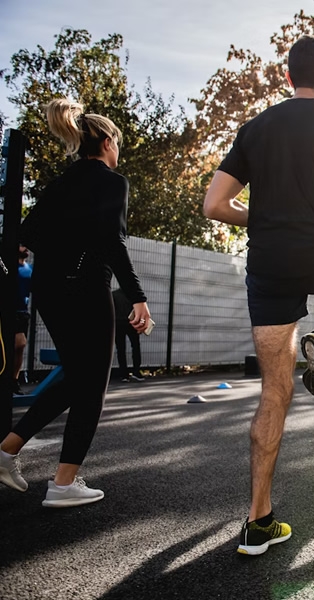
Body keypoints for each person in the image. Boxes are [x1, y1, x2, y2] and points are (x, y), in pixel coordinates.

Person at [203, 35, 314, 556]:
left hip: (269, 266)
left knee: (273, 393)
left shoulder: (255, 129)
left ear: (287, 78)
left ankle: (258, 521)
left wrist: (261, 218)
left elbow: (215, 204)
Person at [0, 99, 151, 507]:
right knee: (92, 387)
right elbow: (113, 243)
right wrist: (137, 297)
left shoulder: (61, 184)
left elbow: (25, 233)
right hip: (86, 290)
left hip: (49, 292)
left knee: (75, 379)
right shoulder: (111, 182)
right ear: (105, 142)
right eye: (117, 143)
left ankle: (7, 450)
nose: (117, 152)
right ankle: (63, 483)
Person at [112, 288, 144, 382]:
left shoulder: (114, 295)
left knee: (121, 349)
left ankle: (124, 374)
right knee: (136, 347)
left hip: (118, 324)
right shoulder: (133, 294)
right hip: (132, 324)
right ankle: (136, 371)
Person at [13, 246, 32, 394]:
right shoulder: (7, 267)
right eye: (22, 245)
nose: (25, 248)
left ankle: (14, 380)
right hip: (9, 312)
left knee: (20, 349)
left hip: (23, 312)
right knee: (19, 343)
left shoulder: (29, 269)